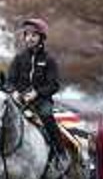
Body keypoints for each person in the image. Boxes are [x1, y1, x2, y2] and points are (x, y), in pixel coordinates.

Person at [6, 18, 66, 166]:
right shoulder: (18, 59)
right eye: (27, 35)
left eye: (34, 35)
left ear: (41, 38)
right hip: (19, 101)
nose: (30, 38)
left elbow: (54, 85)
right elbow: (10, 81)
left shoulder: (49, 60)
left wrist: (37, 93)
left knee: (48, 117)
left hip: (42, 101)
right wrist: (13, 92)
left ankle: (60, 154)